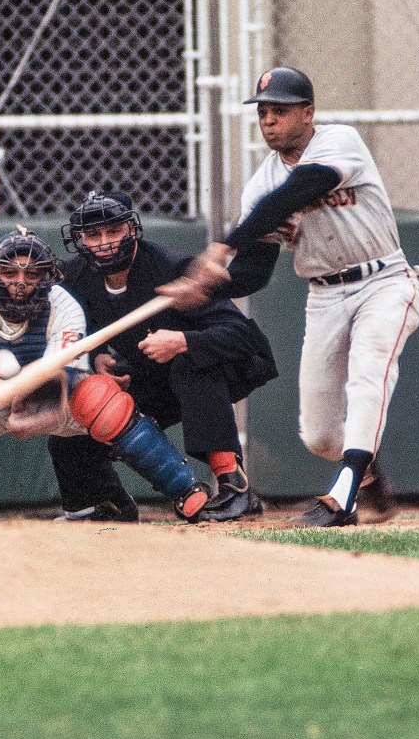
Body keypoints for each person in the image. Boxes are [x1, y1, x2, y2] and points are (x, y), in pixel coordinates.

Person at [160, 67, 419, 527]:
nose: (269, 121)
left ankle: (342, 499)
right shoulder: (260, 186)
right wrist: (206, 287)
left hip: (384, 282)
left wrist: (220, 246)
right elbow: (252, 275)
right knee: (320, 435)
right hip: (324, 295)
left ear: (308, 113)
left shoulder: (338, 141)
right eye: (263, 112)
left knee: (368, 374)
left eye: (280, 111)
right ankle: (367, 476)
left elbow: (303, 188)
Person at [0, 227, 215, 525]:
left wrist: (25, 402)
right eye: (9, 272)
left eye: (32, 274)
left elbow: (58, 380)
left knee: (101, 396)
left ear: (47, 276)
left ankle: (185, 492)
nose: (20, 283)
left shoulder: (64, 306)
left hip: (51, 396)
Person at [55, 191, 278, 523]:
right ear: (80, 240)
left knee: (191, 365)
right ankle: (108, 503)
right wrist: (97, 356)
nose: (104, 243)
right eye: (93, 235)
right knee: (78, 418)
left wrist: (183, 340)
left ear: (132, 231)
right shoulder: (75, 276)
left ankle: (235, 487)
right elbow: (68, 326)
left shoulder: (175, 270)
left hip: (224, 366)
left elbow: (246, 338)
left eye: (113, 231)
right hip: (149, 371)